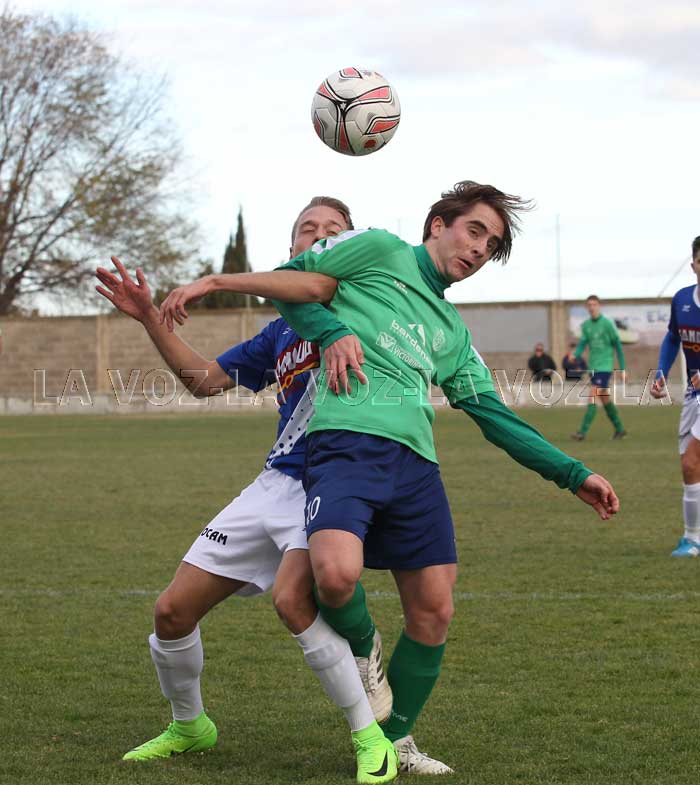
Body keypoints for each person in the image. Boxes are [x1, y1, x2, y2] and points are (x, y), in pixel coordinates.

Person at [160, 181, 620, 773]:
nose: (478, 249)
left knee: (435, 610)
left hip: (416, 466)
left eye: (490, 246)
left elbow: (494, 416)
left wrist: (573, 474)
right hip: (344, 444)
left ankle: (396, 741)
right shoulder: (379, 250)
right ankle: (364, 649)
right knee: (333, 576)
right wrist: (236, 291)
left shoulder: (452, 332)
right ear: (438, 225)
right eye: (474, 231)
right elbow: (297, 284)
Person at [96, 197, 405, 785]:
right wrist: (150, 318)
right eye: (307, 229)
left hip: (333, 482)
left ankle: (371, 739)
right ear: (290, 250)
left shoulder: (370, 306)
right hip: (272, 484)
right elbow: (205, 381)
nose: (319, 236)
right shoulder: (281, 331)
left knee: (292, 601)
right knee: (171, 612)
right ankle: (190, 726)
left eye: (334, 231)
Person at [651, 235, 700, 557]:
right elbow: (672, 339)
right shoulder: (682, 299)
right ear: (693, 264)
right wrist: (661, 372)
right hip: (694, 396)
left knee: (691, 461)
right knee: (690, 467)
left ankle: (692, 539)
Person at [571, 295, 627, 441]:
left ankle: (582, 432)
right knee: (604, 399)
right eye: (589, 305)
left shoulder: (607, 324)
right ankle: (620, 429)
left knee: (593, 395)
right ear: (586, 307)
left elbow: (618, 346)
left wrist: (622, 369)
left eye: (594, 304)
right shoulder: (586, 326)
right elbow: (582, 344)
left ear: (599, 306)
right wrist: (574, 355)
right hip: (593, 368)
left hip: (605, 367)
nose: (592, 307)